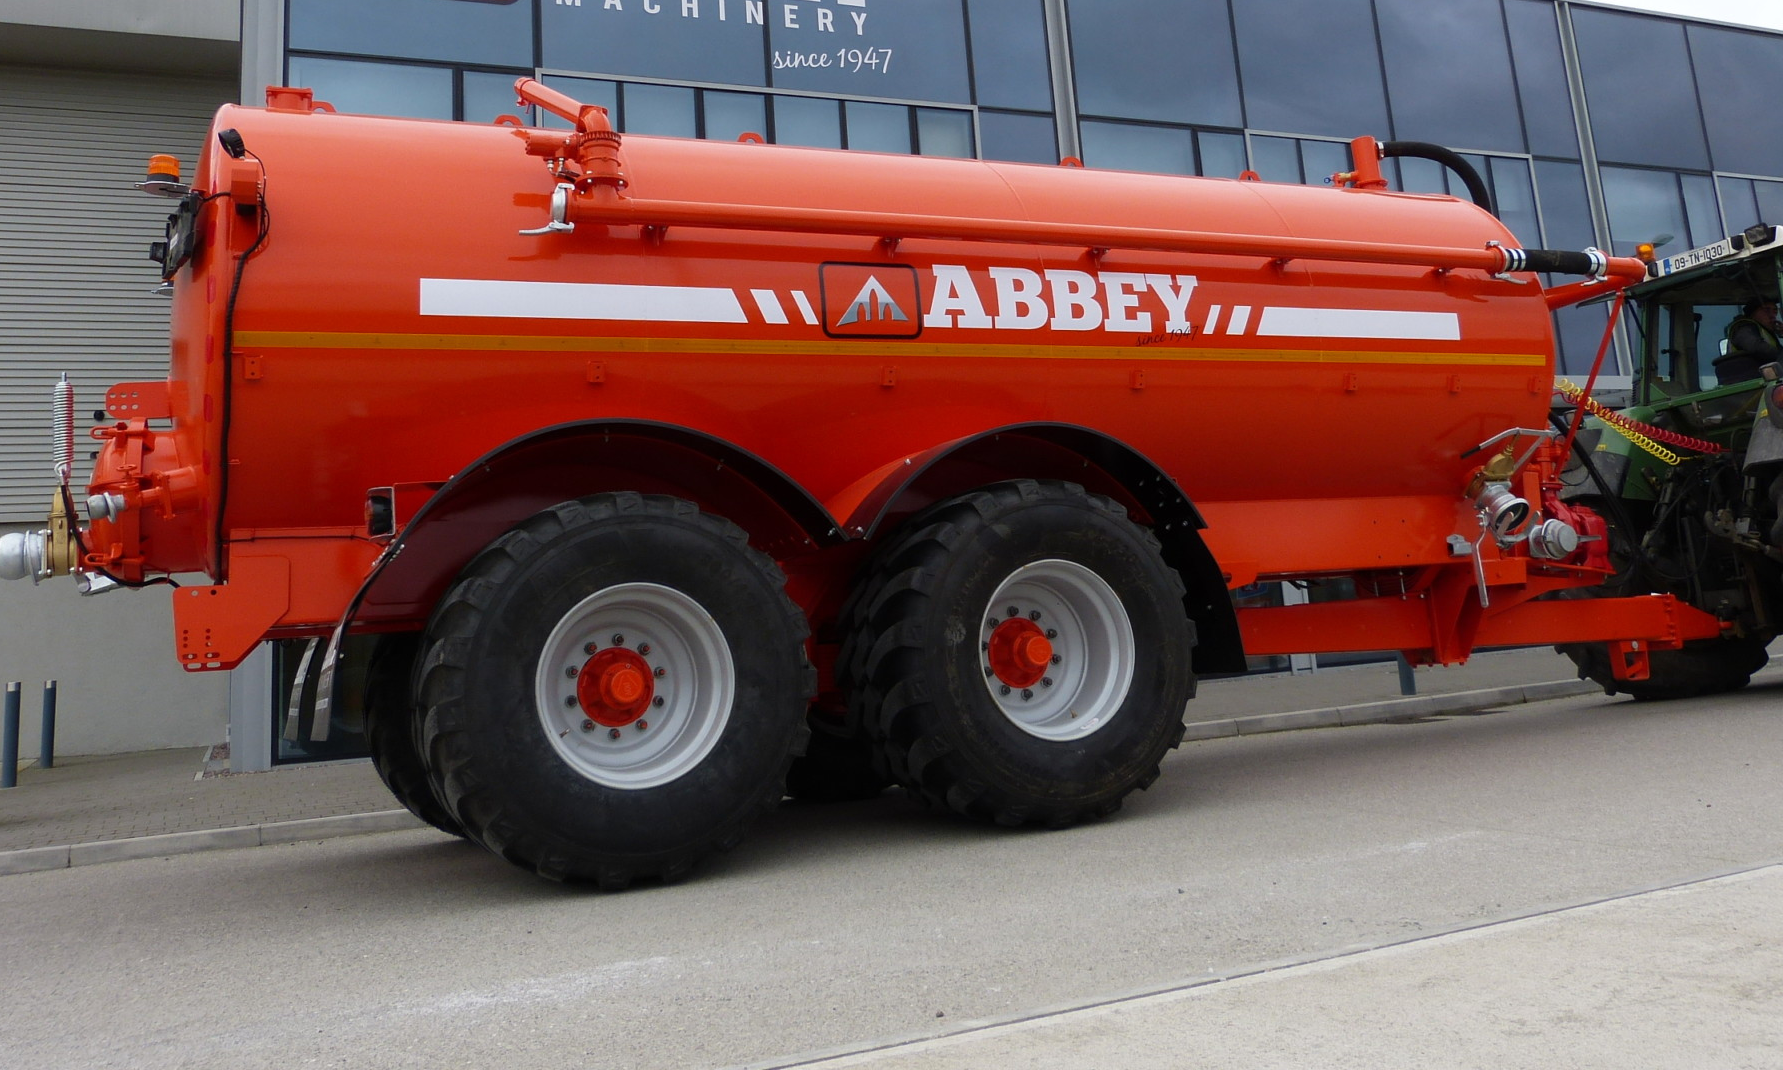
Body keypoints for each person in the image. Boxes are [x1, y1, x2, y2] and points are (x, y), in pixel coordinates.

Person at [1715, 298, 1781, 384]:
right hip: (1750, 383)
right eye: (1766, 310)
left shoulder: (1763, 331)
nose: (1772, 316)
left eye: (1775, 312)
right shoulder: (1743, 328)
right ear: (1753, 313)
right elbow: (1756, 347)